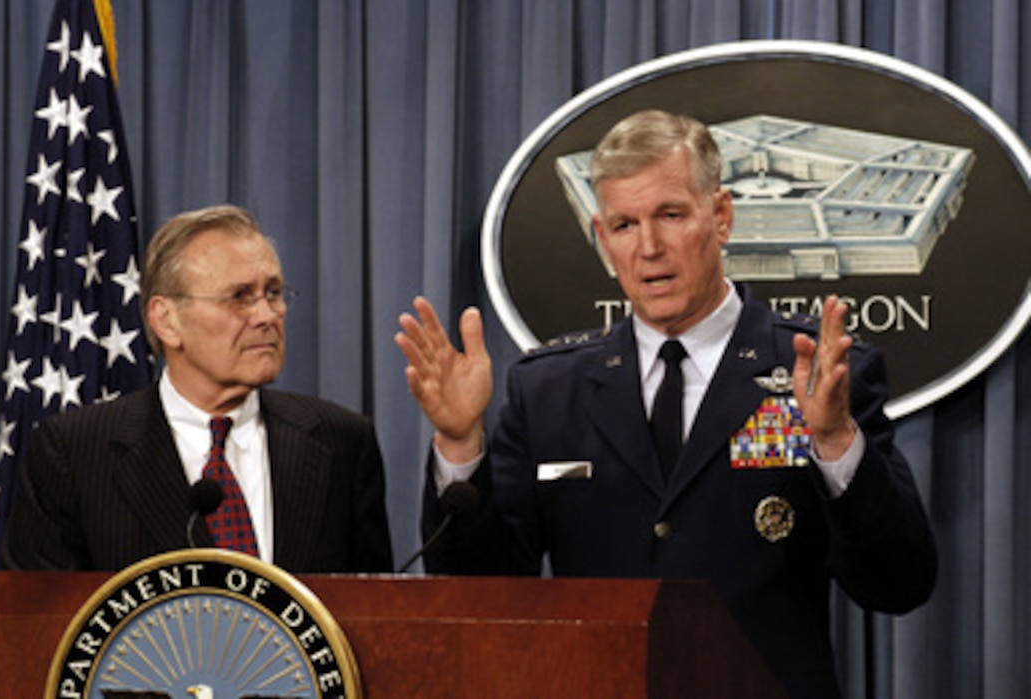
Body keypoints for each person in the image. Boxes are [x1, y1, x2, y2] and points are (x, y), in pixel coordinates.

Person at [395, 110, 936, 699]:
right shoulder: (550, 391)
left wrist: (834, 443)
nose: (649, 247)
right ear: (603, 241)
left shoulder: (818, 374)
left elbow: (900, 583)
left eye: (671, 215)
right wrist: (459, 444)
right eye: (625, 225)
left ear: (721, 216)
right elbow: (479, 594)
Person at [3, 204, 393, 573]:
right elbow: (40, 627)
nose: (267, 316)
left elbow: (377, 621)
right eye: (239, 297)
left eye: (273, 293)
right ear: (167, 320)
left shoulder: (342, 443)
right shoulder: (74, 454)